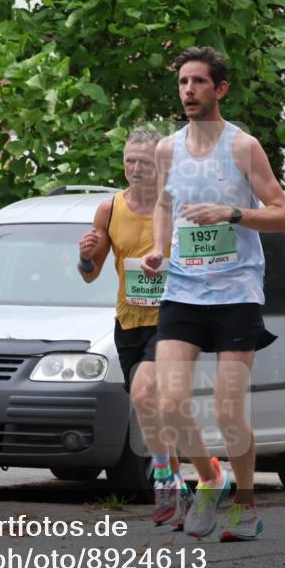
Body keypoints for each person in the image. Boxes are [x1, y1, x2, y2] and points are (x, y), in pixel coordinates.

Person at [141, 47, 285, 541]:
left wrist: (232, 214)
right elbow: (164, 204)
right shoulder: (167, 149)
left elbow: (284, 214)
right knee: (167, 402)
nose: (188, 90)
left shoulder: (243, 147)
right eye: (183, 82)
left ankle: (246, 504)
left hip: (236, 292)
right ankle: (210, 478)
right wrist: (158, 249)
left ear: (220, 89)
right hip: (184, 289)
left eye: (199, 82)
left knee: (229, 409)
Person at [77, 127, 195, 527]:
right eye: (130, 160)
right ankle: (177, 481)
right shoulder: (109, 209)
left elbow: (202, 257)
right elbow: (90, 275)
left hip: (172, 317)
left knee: (152, 395)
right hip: (128, 321)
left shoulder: (176, 203)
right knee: (148, 405)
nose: (135, 168)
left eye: (144, 161)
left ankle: (167, 484)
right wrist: (86, 258)